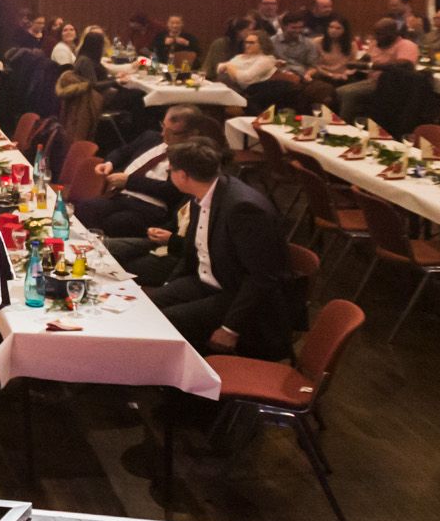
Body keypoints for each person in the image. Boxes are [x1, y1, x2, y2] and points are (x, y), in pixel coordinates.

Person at [147, 141, 301, 361]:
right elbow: (194, 252)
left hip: (235, 293)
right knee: (144, 307)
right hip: (207, 280)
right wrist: (169, 286)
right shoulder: (202, 194)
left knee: (166, 321)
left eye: (169, 170)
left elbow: (263, 276)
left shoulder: (243, 209)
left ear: (182, 175)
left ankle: (177, 386)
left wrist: (230, 328)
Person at [79, 104, 206, 238]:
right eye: (163, 127)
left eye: (173, 133)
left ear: (193, 134)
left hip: (150, 207)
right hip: (120, 196)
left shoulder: (192, 156)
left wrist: (129, 181)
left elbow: (173, 191)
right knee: (85, 208)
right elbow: (123, 152)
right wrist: (109, 163)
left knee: (116, 223)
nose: (164, 135)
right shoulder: (151, 137)